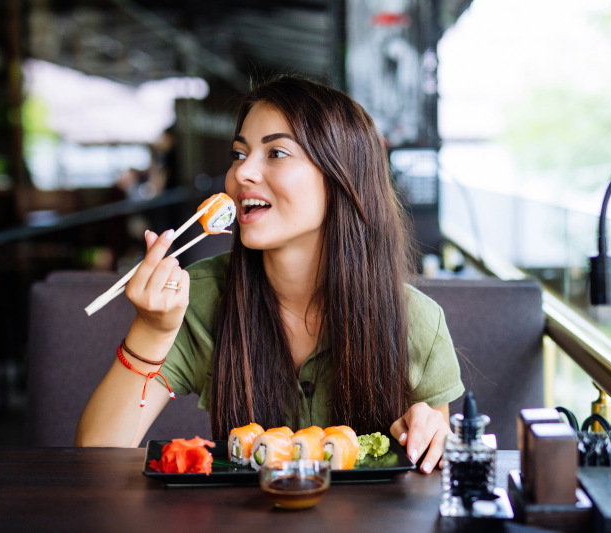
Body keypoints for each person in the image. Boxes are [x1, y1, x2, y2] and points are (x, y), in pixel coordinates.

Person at [76, 75, 464, 474]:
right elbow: (97, 454)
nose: (242, 173)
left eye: (276, 153)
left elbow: (429, 467)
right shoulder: (203, 298)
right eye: (239, 154)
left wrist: (429, 430)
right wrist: (152, 330)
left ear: (342, 179)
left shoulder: (416, 321)